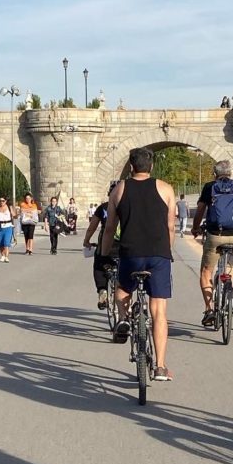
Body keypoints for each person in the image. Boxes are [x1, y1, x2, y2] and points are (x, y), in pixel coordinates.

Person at [100, 147, 176, 382]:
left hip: (131, 252)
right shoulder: (165, 189)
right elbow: (170, 226)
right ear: (151, 166)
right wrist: (167, 251)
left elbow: (110, 227)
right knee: (159, 311)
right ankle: (161, 367)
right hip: (158, 255)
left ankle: (123, 318)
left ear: (131, 166)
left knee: (122, 291)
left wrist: (104, 254)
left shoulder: (120, 189)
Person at [191, 160, 233, 326]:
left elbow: (200, 210)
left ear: (215, 174)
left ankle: (209, 309)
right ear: (230, 173)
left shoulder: (209, 187)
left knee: (206, 271)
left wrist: (195, 228)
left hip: (215, 234)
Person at [83, 180, 120, 310]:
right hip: (125, 247)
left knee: (99, 266)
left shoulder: (103, 207)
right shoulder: (130, 206)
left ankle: (102, 290)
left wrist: (86, 241)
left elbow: (92, 227)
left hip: (106, 245)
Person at [0, 196, 15, 262]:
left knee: (6, 242)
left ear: (6, 201)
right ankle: (2, 256)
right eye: (0, 201)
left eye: (3, 201)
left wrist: (13, 212)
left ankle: (6, 257)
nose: (1, 202)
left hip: (8, 226)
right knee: (0, 243)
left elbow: (14, 215)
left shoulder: (9, 207)